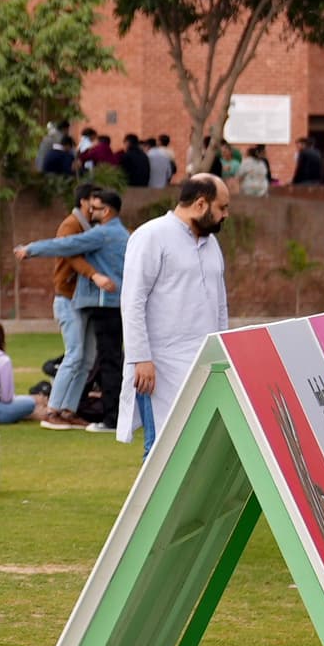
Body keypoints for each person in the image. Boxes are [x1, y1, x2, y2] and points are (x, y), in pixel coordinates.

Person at [119, 173, 232, 454]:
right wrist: (140, 358)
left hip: (203, 364)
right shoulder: (151, 236)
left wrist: (223, 353)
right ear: (201, 204)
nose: (225, 215)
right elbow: (132, 301)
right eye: (222, 208)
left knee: (199, 448)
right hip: (159, 367)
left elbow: (220, 305)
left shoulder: (211, 244)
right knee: (161, 452)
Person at [15, 187, 128, 432]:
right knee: (86, 358)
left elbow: (67, 246)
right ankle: (62, 410)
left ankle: (67, 411)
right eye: (91, 205)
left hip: (101, 304)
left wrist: (31, 249)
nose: (91, 210)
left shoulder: (101, 233)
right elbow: (68, 248)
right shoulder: (117, 232)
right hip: (93, 303)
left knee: (92, 359)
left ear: (106, 211)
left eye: (96, 207)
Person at [32, 187, 99, 430]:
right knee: (74, 355)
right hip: (68, 299)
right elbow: (70, 256)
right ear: (84, 201)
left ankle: (68, 411)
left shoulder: (92, 227)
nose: (98, 205)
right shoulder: (71, 225)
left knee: (87, 359)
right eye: (94, 200)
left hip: (86, 301)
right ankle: (52, 410)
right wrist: (94, 274)